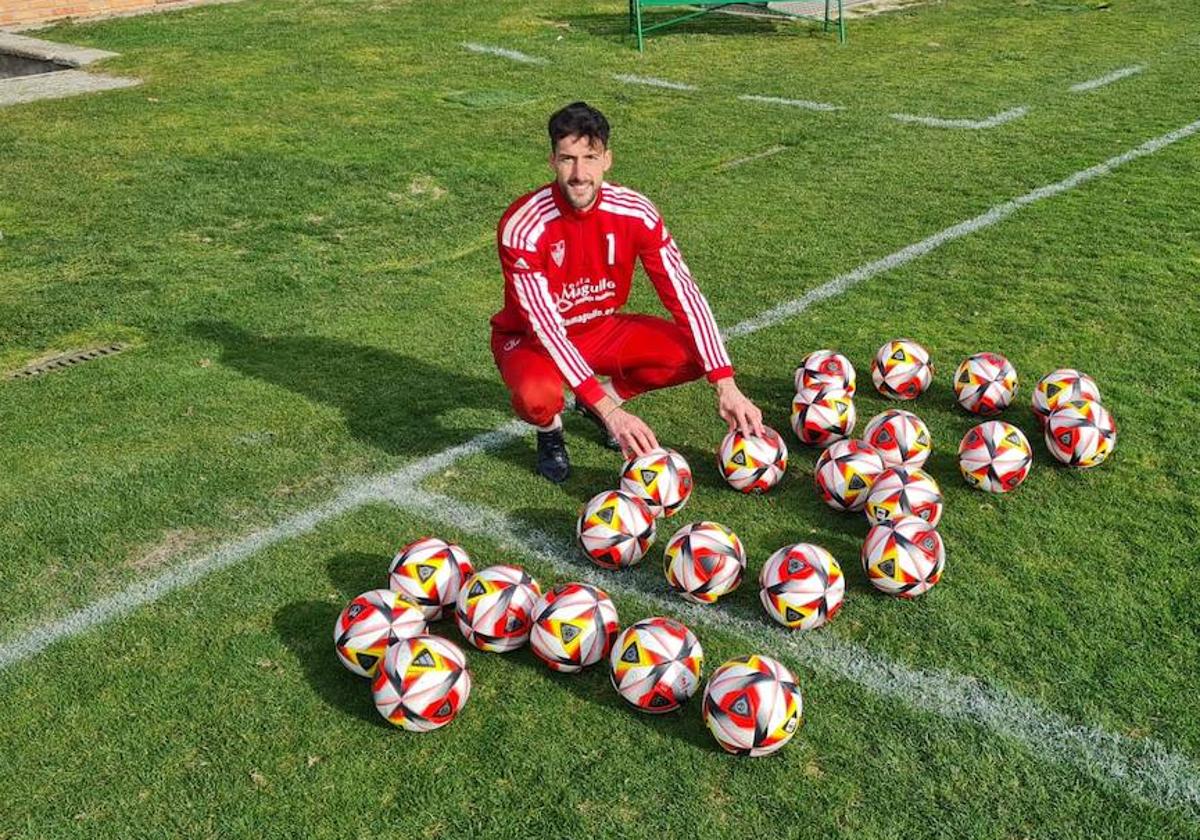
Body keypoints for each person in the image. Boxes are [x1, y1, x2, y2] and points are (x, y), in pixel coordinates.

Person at [491, 101, 764, 482]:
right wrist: (611, 415)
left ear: (607, 160)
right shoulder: (524, 226)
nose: (579, 173)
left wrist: (726, 383)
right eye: (567, 159)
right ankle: (550, 432)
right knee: (537, 396)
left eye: (590, 157)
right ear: (552, 162)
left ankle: (606, 396)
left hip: (599, 328)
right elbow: (547, 330)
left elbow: (684, 294)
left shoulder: (636, 211)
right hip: (530, 340)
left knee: (692, 354)